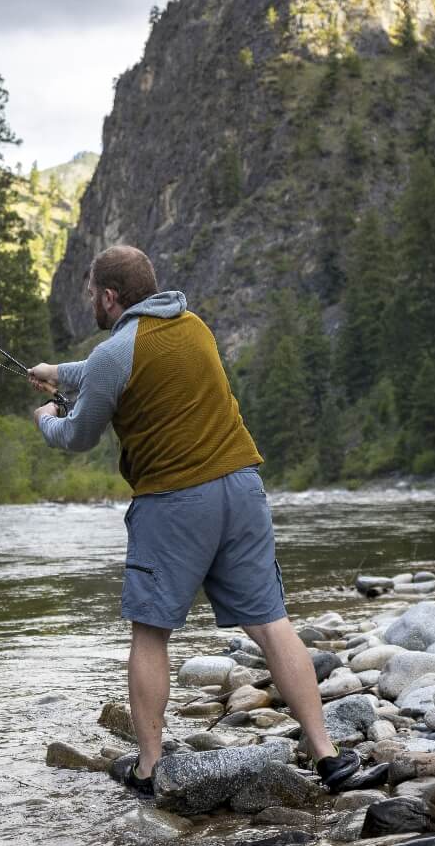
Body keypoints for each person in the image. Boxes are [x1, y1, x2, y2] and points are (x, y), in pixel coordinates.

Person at [29, 245, 362, 796]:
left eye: (93, 293)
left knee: (151, 631)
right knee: (271, 623)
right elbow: (111, 366)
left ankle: (150, 767)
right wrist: (57, 373)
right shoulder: (193, 325)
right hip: (242, 488)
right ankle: (328, 756)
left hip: (175, 503)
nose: (92, 300)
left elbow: (79, 434)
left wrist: (46, 417)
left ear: (109, 296)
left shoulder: (117, 351)